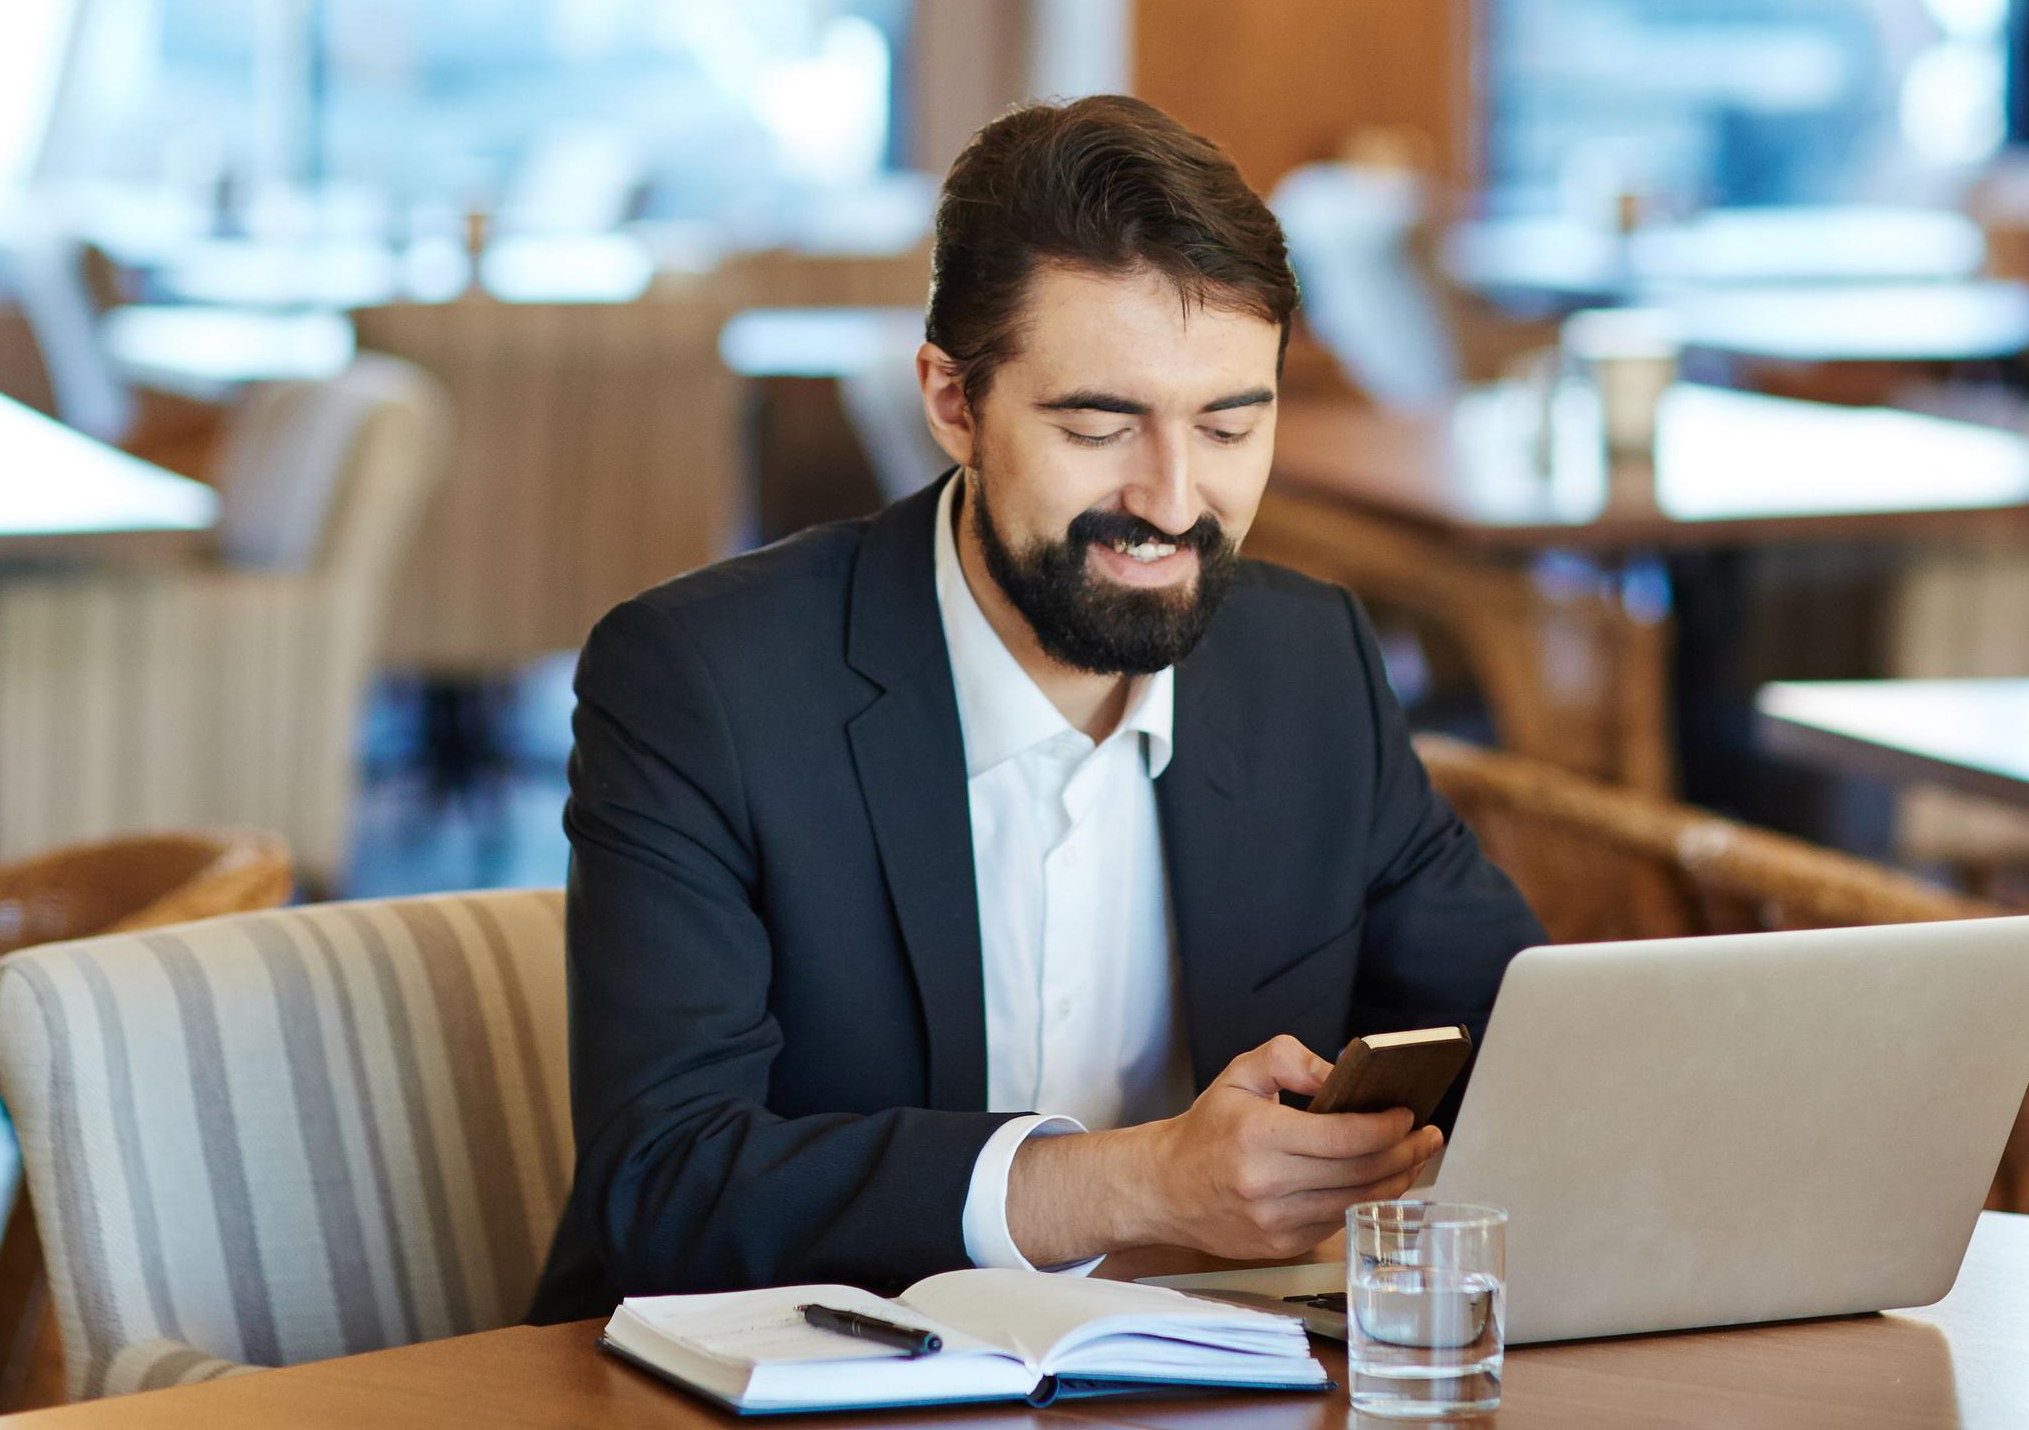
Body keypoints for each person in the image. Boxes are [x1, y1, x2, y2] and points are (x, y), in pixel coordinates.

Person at [529, 96, 1544, 1316]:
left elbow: (1519, 1032)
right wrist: (1132, 1184)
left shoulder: (1306, 659)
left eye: (1229, 423)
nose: (1173, 500)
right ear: (954, 402)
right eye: (1100, 423)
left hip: (1212, 1384)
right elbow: (664, 1189)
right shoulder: (702, 680)